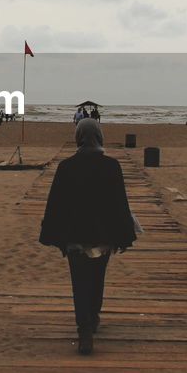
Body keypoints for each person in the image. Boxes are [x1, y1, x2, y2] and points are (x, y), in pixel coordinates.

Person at [39, 119, 138, 356]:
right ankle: (92, 318)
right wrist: (124, 235)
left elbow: (56, 205)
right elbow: (119, 204)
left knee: (79, 283)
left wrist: (54, 235)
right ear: (99, 136)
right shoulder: (111, 166)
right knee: (97, 279)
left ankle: (85, 330)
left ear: (79, 137)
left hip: (75, 237)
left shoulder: (66, 167)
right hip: (103, 237)